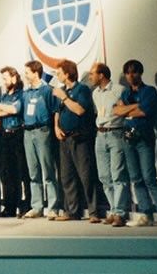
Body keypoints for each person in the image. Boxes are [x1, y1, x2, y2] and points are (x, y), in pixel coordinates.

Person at [114, 59, 157, 230]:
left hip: (144, 138)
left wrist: (128, 109)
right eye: (127, 73)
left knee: (149, 177)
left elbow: (144, 111)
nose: (130, 76)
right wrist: (133, 107)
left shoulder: (150, 91)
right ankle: (145, 213)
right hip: (128, 138)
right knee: (136, 178)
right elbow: (116, 111)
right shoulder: (126, 93)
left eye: (134, 72)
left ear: (140, 73)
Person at [52, 59, 100, 222]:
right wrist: (56, 128)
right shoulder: (62, 91)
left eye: (59, 72)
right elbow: (57, 112)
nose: (57, 75)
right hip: (64, 139)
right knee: (66, 177)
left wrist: (64, 98)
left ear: (67, 73)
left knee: (86, 176)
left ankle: (93, 212)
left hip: (80, 138)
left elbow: (79, 110)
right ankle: (72, 211)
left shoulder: (82, 89)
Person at [89, 63, 129, 227]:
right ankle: (113, 210)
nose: (90, 77)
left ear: (101, 75)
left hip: (115, 133)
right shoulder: (95, 93)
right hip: (100, 134)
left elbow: (126, 111)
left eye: (93, 74)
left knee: (117, 174)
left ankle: (120, 212)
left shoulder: (119, 90)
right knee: (104, 176)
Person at [21, 60, 62, 220]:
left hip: (43, 131)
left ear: (35, 73)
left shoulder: (47, 90)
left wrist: (55, 128)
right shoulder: (26, 93)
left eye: (27, 72)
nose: (25, 75)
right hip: (28, 132)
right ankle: (36, 206)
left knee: (48, 171)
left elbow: (55, 111)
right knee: (33, 172)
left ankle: (53, 207)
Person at [0, 66, 31, 218]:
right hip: (5, 135)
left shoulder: (22, 94)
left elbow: (16, 110)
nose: (4, 81)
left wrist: (2, 108)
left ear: (14, 78)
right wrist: (6, 108)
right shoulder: (4, 96)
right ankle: (9, 207)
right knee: (7, 174)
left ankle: (26, 206)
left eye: (5, 78)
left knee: (23, 172)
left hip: (18, 134)